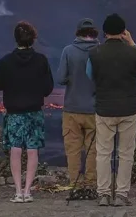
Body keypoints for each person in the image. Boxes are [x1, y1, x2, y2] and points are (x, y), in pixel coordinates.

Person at [86, 13, 136, 207]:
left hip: (104, 108)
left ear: (104, 32)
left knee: (103, 153)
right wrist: (132, 43)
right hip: (129, 108)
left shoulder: (95, 53)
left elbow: (90, 74)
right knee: (126, 152)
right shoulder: (132, 52)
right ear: (123, 31)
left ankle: (104, 194)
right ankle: (121, 194)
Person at [0, 21, 54, 204]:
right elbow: (48, 88)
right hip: (34, 112)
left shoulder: (6, 61)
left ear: (16, 39)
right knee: (33, 151)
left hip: (14, 113)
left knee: (16, 150)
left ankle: (18, 191)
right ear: (33, 39)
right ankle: (28, 191)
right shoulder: (41, 60)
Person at [56, 18, 99, 190]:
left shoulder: (68, 51)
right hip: (95, 109)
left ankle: (75, 184)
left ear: (78, 33)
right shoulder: (100, 51)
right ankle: (91, 183)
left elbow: (61, 78)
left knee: (73, 149)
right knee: (93, 149)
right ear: (94, 33)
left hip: (72, 108)